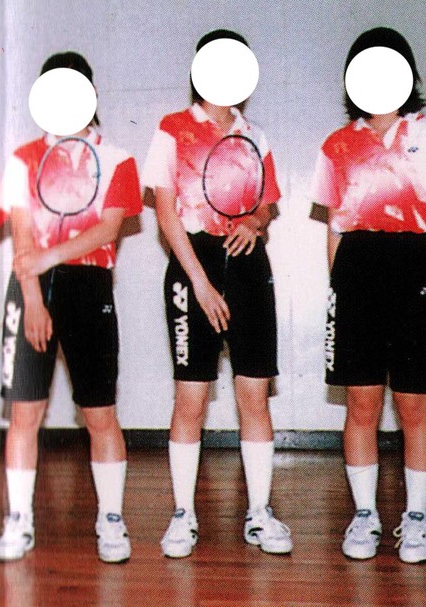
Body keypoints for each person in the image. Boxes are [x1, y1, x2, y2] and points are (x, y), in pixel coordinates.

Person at [313, 27, 426, 564]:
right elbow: (335, 229)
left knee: (414, 404)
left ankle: (417, 520)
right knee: (361, 403)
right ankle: (364, 515)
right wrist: (339, 295)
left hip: (416, 268)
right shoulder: (336, 145)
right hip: (356, 270)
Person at [142, 30, 292, 559]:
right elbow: (165, 212)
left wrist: (255, 221)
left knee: (254, 393)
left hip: (248, 265)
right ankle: (183, 515)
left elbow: (266, 203)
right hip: (193, 266)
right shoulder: (172, 129)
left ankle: (260, 512)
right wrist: (200, 284)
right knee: (191, 396)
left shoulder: (256, 135)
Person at [0, 52, 142, 564]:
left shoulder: (117, 159)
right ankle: (19, 519)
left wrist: (50, 257)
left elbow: (108, 228)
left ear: (91, 94)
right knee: (24, 413)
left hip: (89, 287)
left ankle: (111, 519)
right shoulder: (22, 159)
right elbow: (22, 235)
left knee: (99, 412)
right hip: (30, 288)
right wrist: (34, 297)